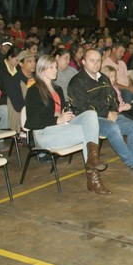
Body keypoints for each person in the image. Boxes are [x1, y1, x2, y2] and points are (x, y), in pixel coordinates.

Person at [25, 55, 110, 195]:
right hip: (45, 133)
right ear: (42, 70)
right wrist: (56, 120)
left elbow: (62, 109)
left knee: (90, 115)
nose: (55, 70)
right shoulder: (33, 91)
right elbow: (32, 122)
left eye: (55, 67)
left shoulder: (57, 89)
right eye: (51, 67)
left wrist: (69, 114)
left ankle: (92, 160)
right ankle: (93, 177)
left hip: (62, 127)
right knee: (88, 133)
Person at [68, 49, 133, 178]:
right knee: (113, 128)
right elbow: (82, 108)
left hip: (109, 115)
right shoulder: (77, 82)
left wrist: (113, 111)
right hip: (91, 120)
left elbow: (114, 98)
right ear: (83, 62)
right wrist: (106, 114)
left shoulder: (103, 78)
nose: (96, 63)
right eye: (91, 60)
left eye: (98, 60)